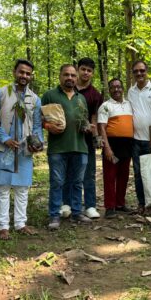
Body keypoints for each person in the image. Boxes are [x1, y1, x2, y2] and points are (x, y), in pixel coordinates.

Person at [0, 59, 43, 240]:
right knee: (3, 188)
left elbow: (37, 125)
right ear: (14, 72)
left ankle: (20, 223)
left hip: (23, 150)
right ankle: (3, 226)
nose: (24, 76)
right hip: (3, 149)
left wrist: (37, 142)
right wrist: (5, 139)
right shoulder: (1, 94)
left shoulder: (35, 99)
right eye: (21, 72)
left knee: (22, 188)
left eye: (28, 74)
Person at [42, 64, 91, 228]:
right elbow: (39, 119)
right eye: (66, 75)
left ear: (76, 77)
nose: (69, 78)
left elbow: (84, 119)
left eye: (72, 75)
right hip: (58, 148)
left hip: (80, 146)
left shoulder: (81, 98)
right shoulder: (50, 95)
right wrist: (48, 126)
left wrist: (87, 126)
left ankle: (77, 212)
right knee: (57, 182)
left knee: (77, 182)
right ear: (60, 76)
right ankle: (54, 215)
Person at [67, 57, 103, 220]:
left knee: (89, 173)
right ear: (77, 69)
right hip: (68, 138)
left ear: (92, 73)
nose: (85, 73)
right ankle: (66, 204)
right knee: (68, 172)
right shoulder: (68, 87)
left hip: (86, 139)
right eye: (83, 69)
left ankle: (90, 205)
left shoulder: (95, 94)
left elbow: (94, 116)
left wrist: (96, 137)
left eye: (89, 70)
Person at [127, 60, 151, 214]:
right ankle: (141, 203)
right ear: (133, 74)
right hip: (135, 139)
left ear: (146, 70)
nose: (139, 74)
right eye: (136, 71)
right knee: (138, 173)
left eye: (142, 70)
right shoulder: (131, 91)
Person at [97, 78, 135, 218]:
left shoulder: (129, 105)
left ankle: (120, 204)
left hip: (127, 146)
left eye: (119, 86)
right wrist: (107, 148)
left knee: (123, 176)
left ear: (123, 88)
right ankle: (110, 207)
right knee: (110, 176)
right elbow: (102, 128)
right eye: (113, 87)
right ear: (109, 89)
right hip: (112, 145)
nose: (116, 89)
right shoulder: (106, 106)